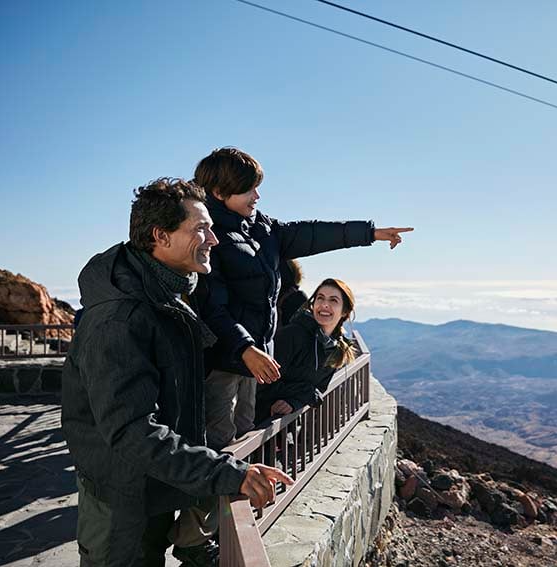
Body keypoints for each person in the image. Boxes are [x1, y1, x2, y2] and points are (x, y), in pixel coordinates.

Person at [61, 178, 292, 567]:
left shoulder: (164, 294)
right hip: (121, 501)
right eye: (201, 229)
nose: (213, 240)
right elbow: (131, 430)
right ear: (160, 236)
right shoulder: (120, 318)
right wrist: (227, 473)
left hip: (150, 486)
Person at [193, 147, 412, 451]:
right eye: (249, 189)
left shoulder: (261, 227)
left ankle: (246, 480)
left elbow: (311, 234)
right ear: (219, 192)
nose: (257, 196)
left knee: (245, 432)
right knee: (220, 440)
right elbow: (211, 308)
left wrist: (370, 233)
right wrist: (245, 348)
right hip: (225, 360)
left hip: (253, 358)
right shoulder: (208, 239)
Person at [255, 278, 357, 424]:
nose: (325, 304)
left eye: (333, 300)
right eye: (320, 298)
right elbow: (262, 384)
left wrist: (294, 402)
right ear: (313, 304)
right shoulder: (291, 336)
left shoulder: (335, 349)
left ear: (345, 311)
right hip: (259, 421)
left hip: (289, 424)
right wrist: (305, 392)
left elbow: (319, 388)